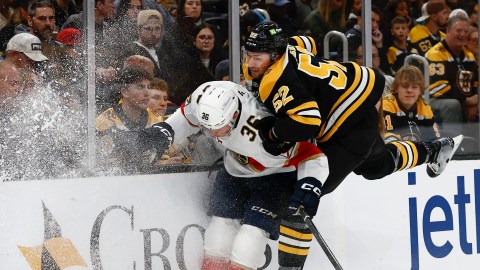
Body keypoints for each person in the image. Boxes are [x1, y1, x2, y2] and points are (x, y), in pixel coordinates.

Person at [243, 22, 463, 268]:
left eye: (257, 57)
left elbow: (307, 122)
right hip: (361, 93)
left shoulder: (278, 81)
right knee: (375, 167)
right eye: (249, 55)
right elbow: (309, 43)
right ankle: (433, 150)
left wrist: (273, 134)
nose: (251, 63)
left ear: (275, 55)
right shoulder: (290, 45)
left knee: (298, 197)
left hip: (349, 128)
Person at [159, 80, 328, 270]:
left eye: (218, 127)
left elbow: (312, 155)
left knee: (250, 239)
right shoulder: (205, 98)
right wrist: (159, 134)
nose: (212, 133)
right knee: (218, 235)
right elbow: (184, 119)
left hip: (275, 177)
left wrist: (310, 185)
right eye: (207, 127)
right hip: (234, 171)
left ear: (235, 116)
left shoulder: (263, 130)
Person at [96, 67, 165, 168]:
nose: (147, 93)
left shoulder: (156, 119)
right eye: (140, 87)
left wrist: (166, 162)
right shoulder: (104, 122)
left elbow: (164, 154)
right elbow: (104, 166)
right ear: (125, 92)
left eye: (149, 87)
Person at [425, 15, 479, 125]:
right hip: (432, 101)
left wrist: (476, 101)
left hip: (461, 100)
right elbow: (438, 89)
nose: (463, 34)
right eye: (459, 30)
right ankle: (453, 141)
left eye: (465, 31)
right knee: (453, 105)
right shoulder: (435, 54)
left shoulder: (469, 56)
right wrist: (466, 101)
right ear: (448, 30)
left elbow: (475, 84)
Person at [382, 65, 441, 143]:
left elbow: (433, 139)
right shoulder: (386, 105)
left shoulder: (424, 107)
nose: (409, 90)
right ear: (396, 88)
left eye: (414, 87)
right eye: (405, 86)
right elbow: (389, 139)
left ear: (420, 90)